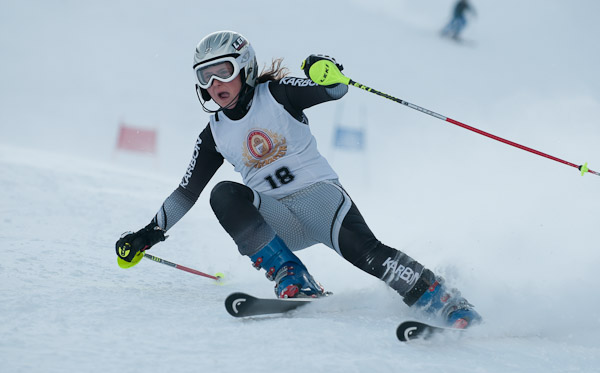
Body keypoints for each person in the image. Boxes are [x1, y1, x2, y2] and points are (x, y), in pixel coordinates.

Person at [115, 31, 482, 328]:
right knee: (223, 193)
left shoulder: (277, 93)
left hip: (320, 201)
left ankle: (444, 300)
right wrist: (149, 233)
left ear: (244, 67)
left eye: (222, 72)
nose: (214, 84)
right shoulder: (213, 134)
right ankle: (292, 275)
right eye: (204, 77)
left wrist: (326, 71)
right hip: (278, 220)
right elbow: (186, 192)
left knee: (366, 254)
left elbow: (335, 90)